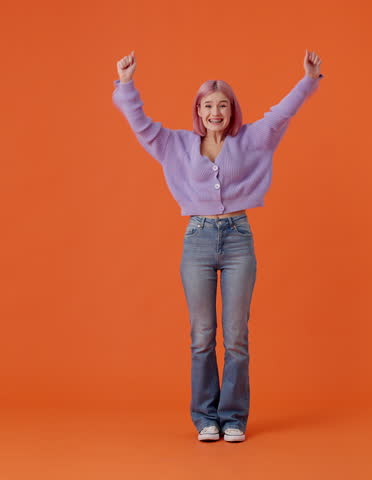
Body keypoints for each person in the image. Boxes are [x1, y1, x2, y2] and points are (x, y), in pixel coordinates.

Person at [112, 50, 323, 442]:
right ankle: (206, 419)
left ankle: (234, 419)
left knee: (236, 336)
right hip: (198, 240)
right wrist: (126, 84)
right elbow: (140, 124)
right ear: (198, 110)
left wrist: (308, 80)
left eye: (223, 105)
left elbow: (282, 113)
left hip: (239, 238)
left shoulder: (252, 139)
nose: (215, 112)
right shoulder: (175, 144)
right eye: (208, 105)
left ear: (232, 110)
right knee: (201, 336)